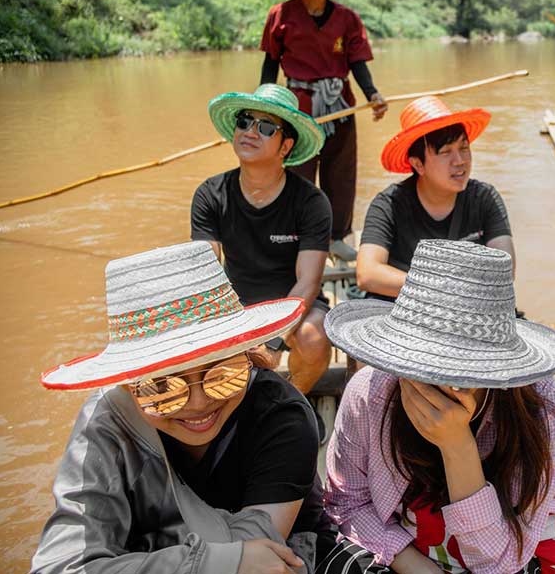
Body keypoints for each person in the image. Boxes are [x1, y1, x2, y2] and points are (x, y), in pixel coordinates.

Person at [31, 241, 336, 573]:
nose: (199, 403)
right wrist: (214, 561)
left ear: (247, 355)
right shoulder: (107, 421)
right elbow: (59, 564)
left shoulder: (281, 416)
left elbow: (263, 558)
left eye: (223, 375)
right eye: (162, 387)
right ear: (127, 384)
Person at [321, 239, 555, 574]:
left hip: (505, 544)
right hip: (405, 538)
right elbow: (347, 504)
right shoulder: (371, 394)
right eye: (417, 367)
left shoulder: (545, 407)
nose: (437, 383)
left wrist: (457, 446)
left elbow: (501, 561)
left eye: (461, 374)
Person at [192, 83, 333, 395]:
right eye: (244, 121)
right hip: (237, 301)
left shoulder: (311, 202)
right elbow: (204, 274)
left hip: (295, 302)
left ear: (285, 147)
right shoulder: (210, 195)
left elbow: (308, 283)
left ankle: (293, 400)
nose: (250, 132)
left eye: (266, 127)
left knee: (314, 339)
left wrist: (272, 341)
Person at [260, 0, 389, 262]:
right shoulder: (282, 15)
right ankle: (300, 239)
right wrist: (263, 103)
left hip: (340, 105)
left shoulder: (347, 19)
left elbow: (357, 62)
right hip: (298, 106)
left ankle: (336, 237)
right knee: (297, 171)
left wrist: (372, 94)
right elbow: (270, 63)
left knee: (341, 171)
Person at [356, 96, 514, 300]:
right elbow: (367, 274)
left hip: (468, 312)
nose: (460, 161)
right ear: (418, 164)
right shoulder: (389, 204)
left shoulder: (484, 198)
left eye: (464, 148)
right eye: (446, 152)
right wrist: (443, 290)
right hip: (405, 311)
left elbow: (505, 272)